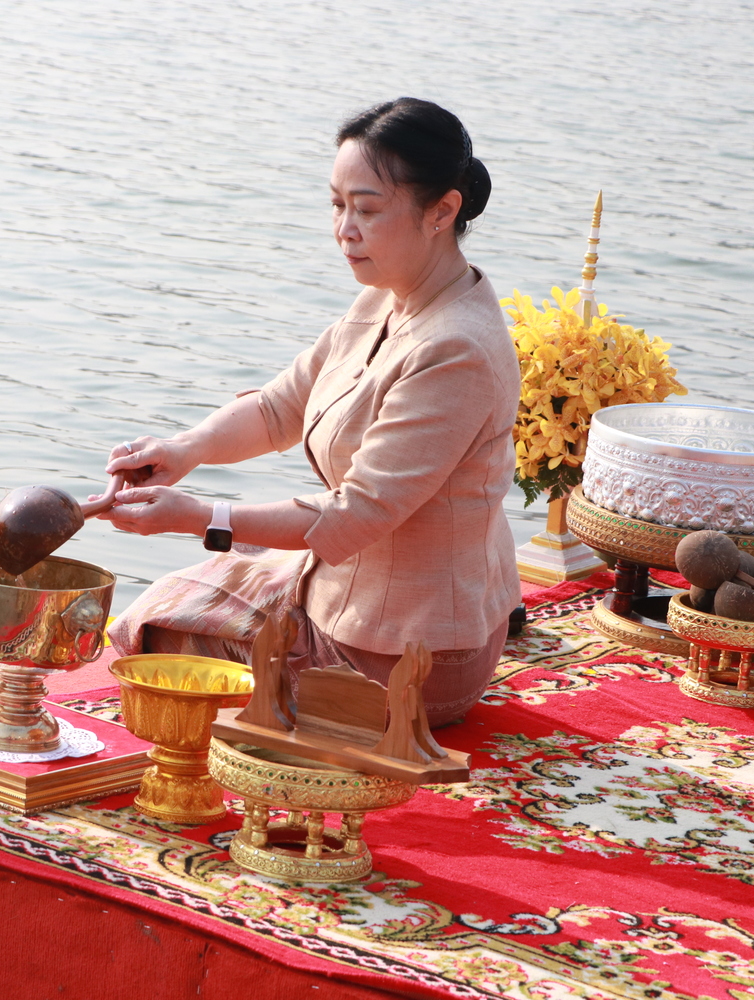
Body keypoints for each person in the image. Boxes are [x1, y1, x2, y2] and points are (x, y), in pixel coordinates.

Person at [99, 97, 518, 726]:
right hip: (347, 595)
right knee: (164, 604)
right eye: (336, 204)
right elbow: (279, 407)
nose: (344, 228)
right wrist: (183, 450)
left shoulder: (456, 348)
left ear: (443, 211)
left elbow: (358, 511)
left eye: (367, 209)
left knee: (161, 638)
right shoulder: (387, 299)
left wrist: (198, 517)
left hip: (405, 659)